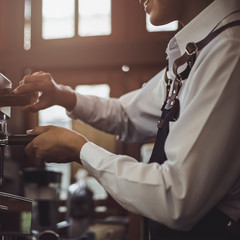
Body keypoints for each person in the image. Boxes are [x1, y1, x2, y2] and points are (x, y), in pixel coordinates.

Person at [13, 0, 240, 239]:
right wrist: (64, 96)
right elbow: (126, 115)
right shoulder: (202, 48)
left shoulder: (228, 51)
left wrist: (78, 149)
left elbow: (177, 197)